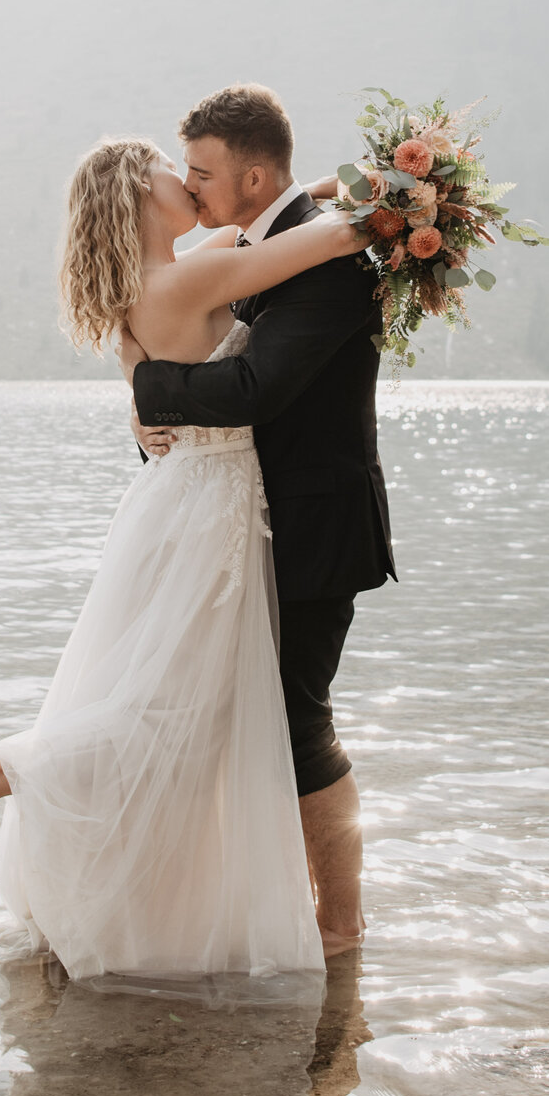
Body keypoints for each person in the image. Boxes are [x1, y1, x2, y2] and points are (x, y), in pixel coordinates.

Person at [0, 127, 361, 980]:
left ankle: (15, 778)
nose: (192, 187)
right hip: (212, 516)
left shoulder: (147, 282)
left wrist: (333, 180)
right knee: (175, 707)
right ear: (141, 198)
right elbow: (336, 236)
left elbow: (266, 219)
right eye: (177, 176)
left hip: (172, 508)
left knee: (169, 696)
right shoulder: (194, 274)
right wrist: (407, 197)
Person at [119, 84, 395, 954]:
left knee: (297, 718)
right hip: (242, 525)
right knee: (230, 712)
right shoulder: (263, 240)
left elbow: (254, 389)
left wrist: (143, 389)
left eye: (203, 174)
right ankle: (245, 913)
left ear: (254, 175)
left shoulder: (325, 263)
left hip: (313, 527)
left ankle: (340, 927)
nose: (192, 189)